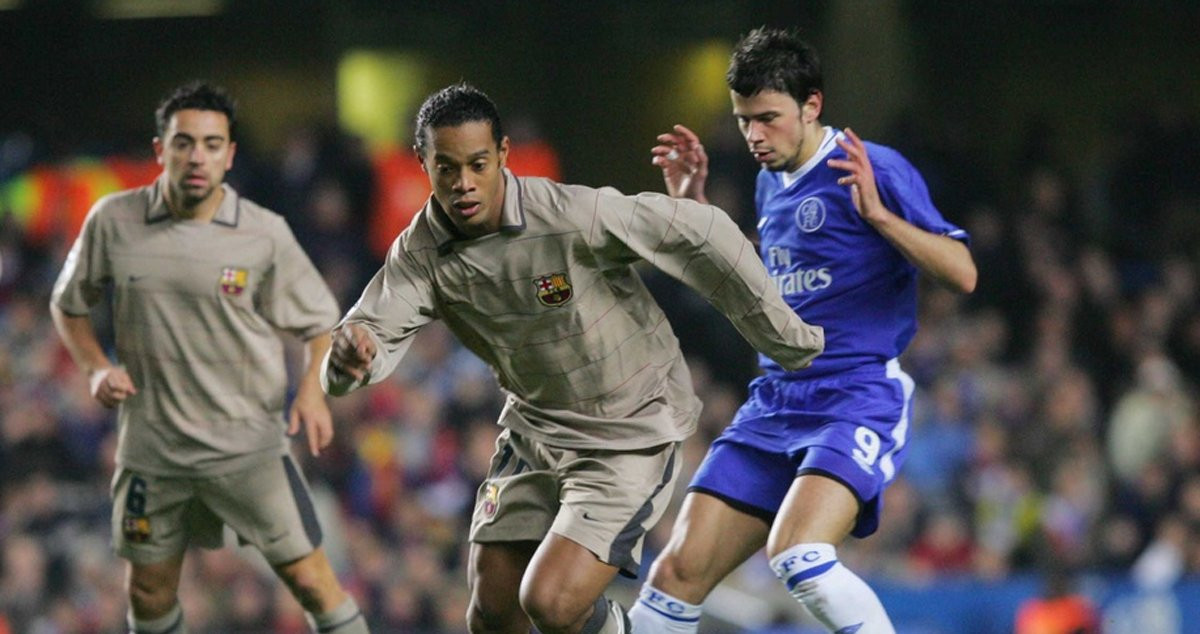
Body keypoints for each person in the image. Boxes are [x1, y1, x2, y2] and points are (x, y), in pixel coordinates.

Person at [322, 82, 825, 634]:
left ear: (504, 156)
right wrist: (351, 359)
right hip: (535, 431)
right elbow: (367, 332)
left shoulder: (568, 216)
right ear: (422, 162)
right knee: (492, 613)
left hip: (627, 429)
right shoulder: (419, 253)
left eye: (478, 164)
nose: (464, 183)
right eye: (446, 168)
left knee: (553, 602)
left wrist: (790, 342)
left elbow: (703, 232)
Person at [628, 28, 977, 633]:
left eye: (768, 118)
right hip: (775, 401)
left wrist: (879, 217)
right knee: (675, 573)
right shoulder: (770, 182)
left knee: (799, 556)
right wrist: (697, 210)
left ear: (811, 105)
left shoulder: (871, 167)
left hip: (854, 395)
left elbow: (963, 273)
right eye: (744, 122)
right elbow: (767, 290)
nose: (755, 136)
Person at [49, 81, 368, 634]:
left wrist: (313, 391)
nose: (198, 156)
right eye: (184, 142)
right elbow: (67, 303)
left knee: (314, 581)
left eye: (212, 144)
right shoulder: (114, 221)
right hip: (155, 448)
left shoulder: (263, 234)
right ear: (160, 150)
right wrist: (96, 366)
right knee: (148, 593)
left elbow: (321, 322)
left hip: (247, 448)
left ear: (230, 155)